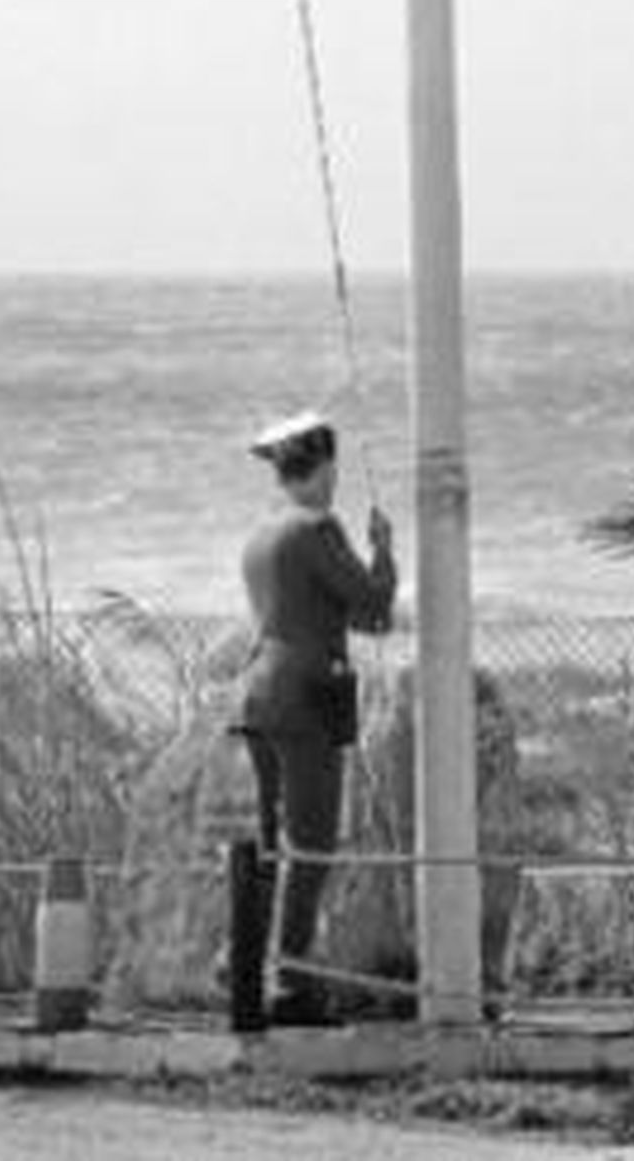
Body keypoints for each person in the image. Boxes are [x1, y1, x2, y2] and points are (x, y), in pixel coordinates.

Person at [236, 410, 396, 1025]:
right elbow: (375, 608)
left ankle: (249, 966)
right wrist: (383, 553)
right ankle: (291, 982)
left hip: (257, 694)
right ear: (326, 466)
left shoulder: (263, 536)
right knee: (314, 845)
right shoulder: (317, 530)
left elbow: (330, 611)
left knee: (273, 845)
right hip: (305, 696)